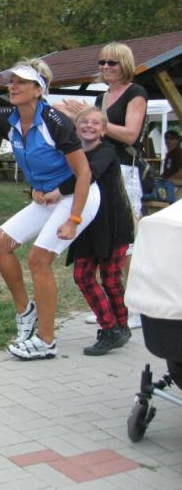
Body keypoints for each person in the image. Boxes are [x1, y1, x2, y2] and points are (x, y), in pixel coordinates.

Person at [0, 59, 100, 360]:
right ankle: (25, 311)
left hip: (78, 197)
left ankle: (46, 340)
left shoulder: (56, 122)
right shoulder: (8, 118)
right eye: (11, 81)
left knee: (38, 260)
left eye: (21, 82)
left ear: (38, 90)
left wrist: (73, 219)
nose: (12, 87)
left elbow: (84, 174)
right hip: (46, 199)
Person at [59, 42, 147, 329]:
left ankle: (136, 307)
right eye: (102, 62)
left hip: (124, 171)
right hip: (100, 171)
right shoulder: (102, 97)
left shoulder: (136, 93)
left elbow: (131, 135)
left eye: (112, 62)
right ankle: (112, 305)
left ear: (124, 64)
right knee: (104, 234)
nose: (105, 67)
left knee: (126, 239)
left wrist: (94, 120)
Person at [66, 108, 134, 356]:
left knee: (111, 280)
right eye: (84, 121)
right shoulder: (72, 154)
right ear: (76, 127)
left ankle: (120, 327)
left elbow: (88, 176)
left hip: (113, 224)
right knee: (82, 276)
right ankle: (111, 327)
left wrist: (55, 190)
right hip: (87, 223)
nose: (89, 126)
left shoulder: (106, 151)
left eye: (96, 123)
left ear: (103, 131)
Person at [155, 130, 182, 203]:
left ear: (177, 140)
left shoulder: (178, 153)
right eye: (166, 138)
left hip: (176, 187)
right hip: (168, 185)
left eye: (171, 138)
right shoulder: (169, 154)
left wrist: (169, 179)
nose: (168, 140)